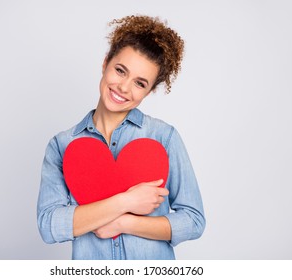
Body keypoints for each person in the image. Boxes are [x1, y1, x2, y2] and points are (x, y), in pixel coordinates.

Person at [37, 15, 205, 260]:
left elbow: (193, 220)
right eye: (120, 70)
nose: (124, 87)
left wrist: (124, 224)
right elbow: (49, 225)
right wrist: (125, 202)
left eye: (139, 83)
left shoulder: (163, 137)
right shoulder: (62, 145)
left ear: (150, 91)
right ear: (105, 63)